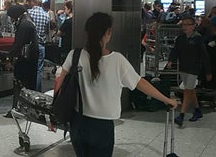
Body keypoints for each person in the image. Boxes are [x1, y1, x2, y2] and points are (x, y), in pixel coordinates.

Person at [57, 12, 178, 157]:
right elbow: (141, 84)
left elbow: (59, 84)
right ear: (108, 33)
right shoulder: (117, 60)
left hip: (78, 122)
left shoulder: (74, 55)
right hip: (102, 127)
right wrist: (167, 100)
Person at [167, 17, 211, 126]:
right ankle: (197, 111)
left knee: (187, 90)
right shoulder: (180, 39)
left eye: (187, 25)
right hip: (183, 67)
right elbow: (175, 50)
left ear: (193, 26)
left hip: (194, 68)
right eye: (183, 25)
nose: (185, 27)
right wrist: (170, 60)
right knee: (190, 90)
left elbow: (204, 56)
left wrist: (208, 71)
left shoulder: (198, 39)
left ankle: (181, 115)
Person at [5, 5, 39, 118]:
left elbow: (18, 43)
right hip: (31, 58)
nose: (10, 19)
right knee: (28, 84)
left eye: (11, 16)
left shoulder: (24, 24)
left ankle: (17, 110)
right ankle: (24, 110)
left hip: (25, 59)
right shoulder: (28, 21)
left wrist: (9, 57)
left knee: (20, 84)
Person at [27, 0, 49, 92]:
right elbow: (47, 31)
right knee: (39, 70)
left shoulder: (29, 13)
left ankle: (28, 89)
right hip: (41, 44)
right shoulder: (46, 15)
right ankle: (37, 90)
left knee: (28, 67)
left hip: (30, 45)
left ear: (33, 3)